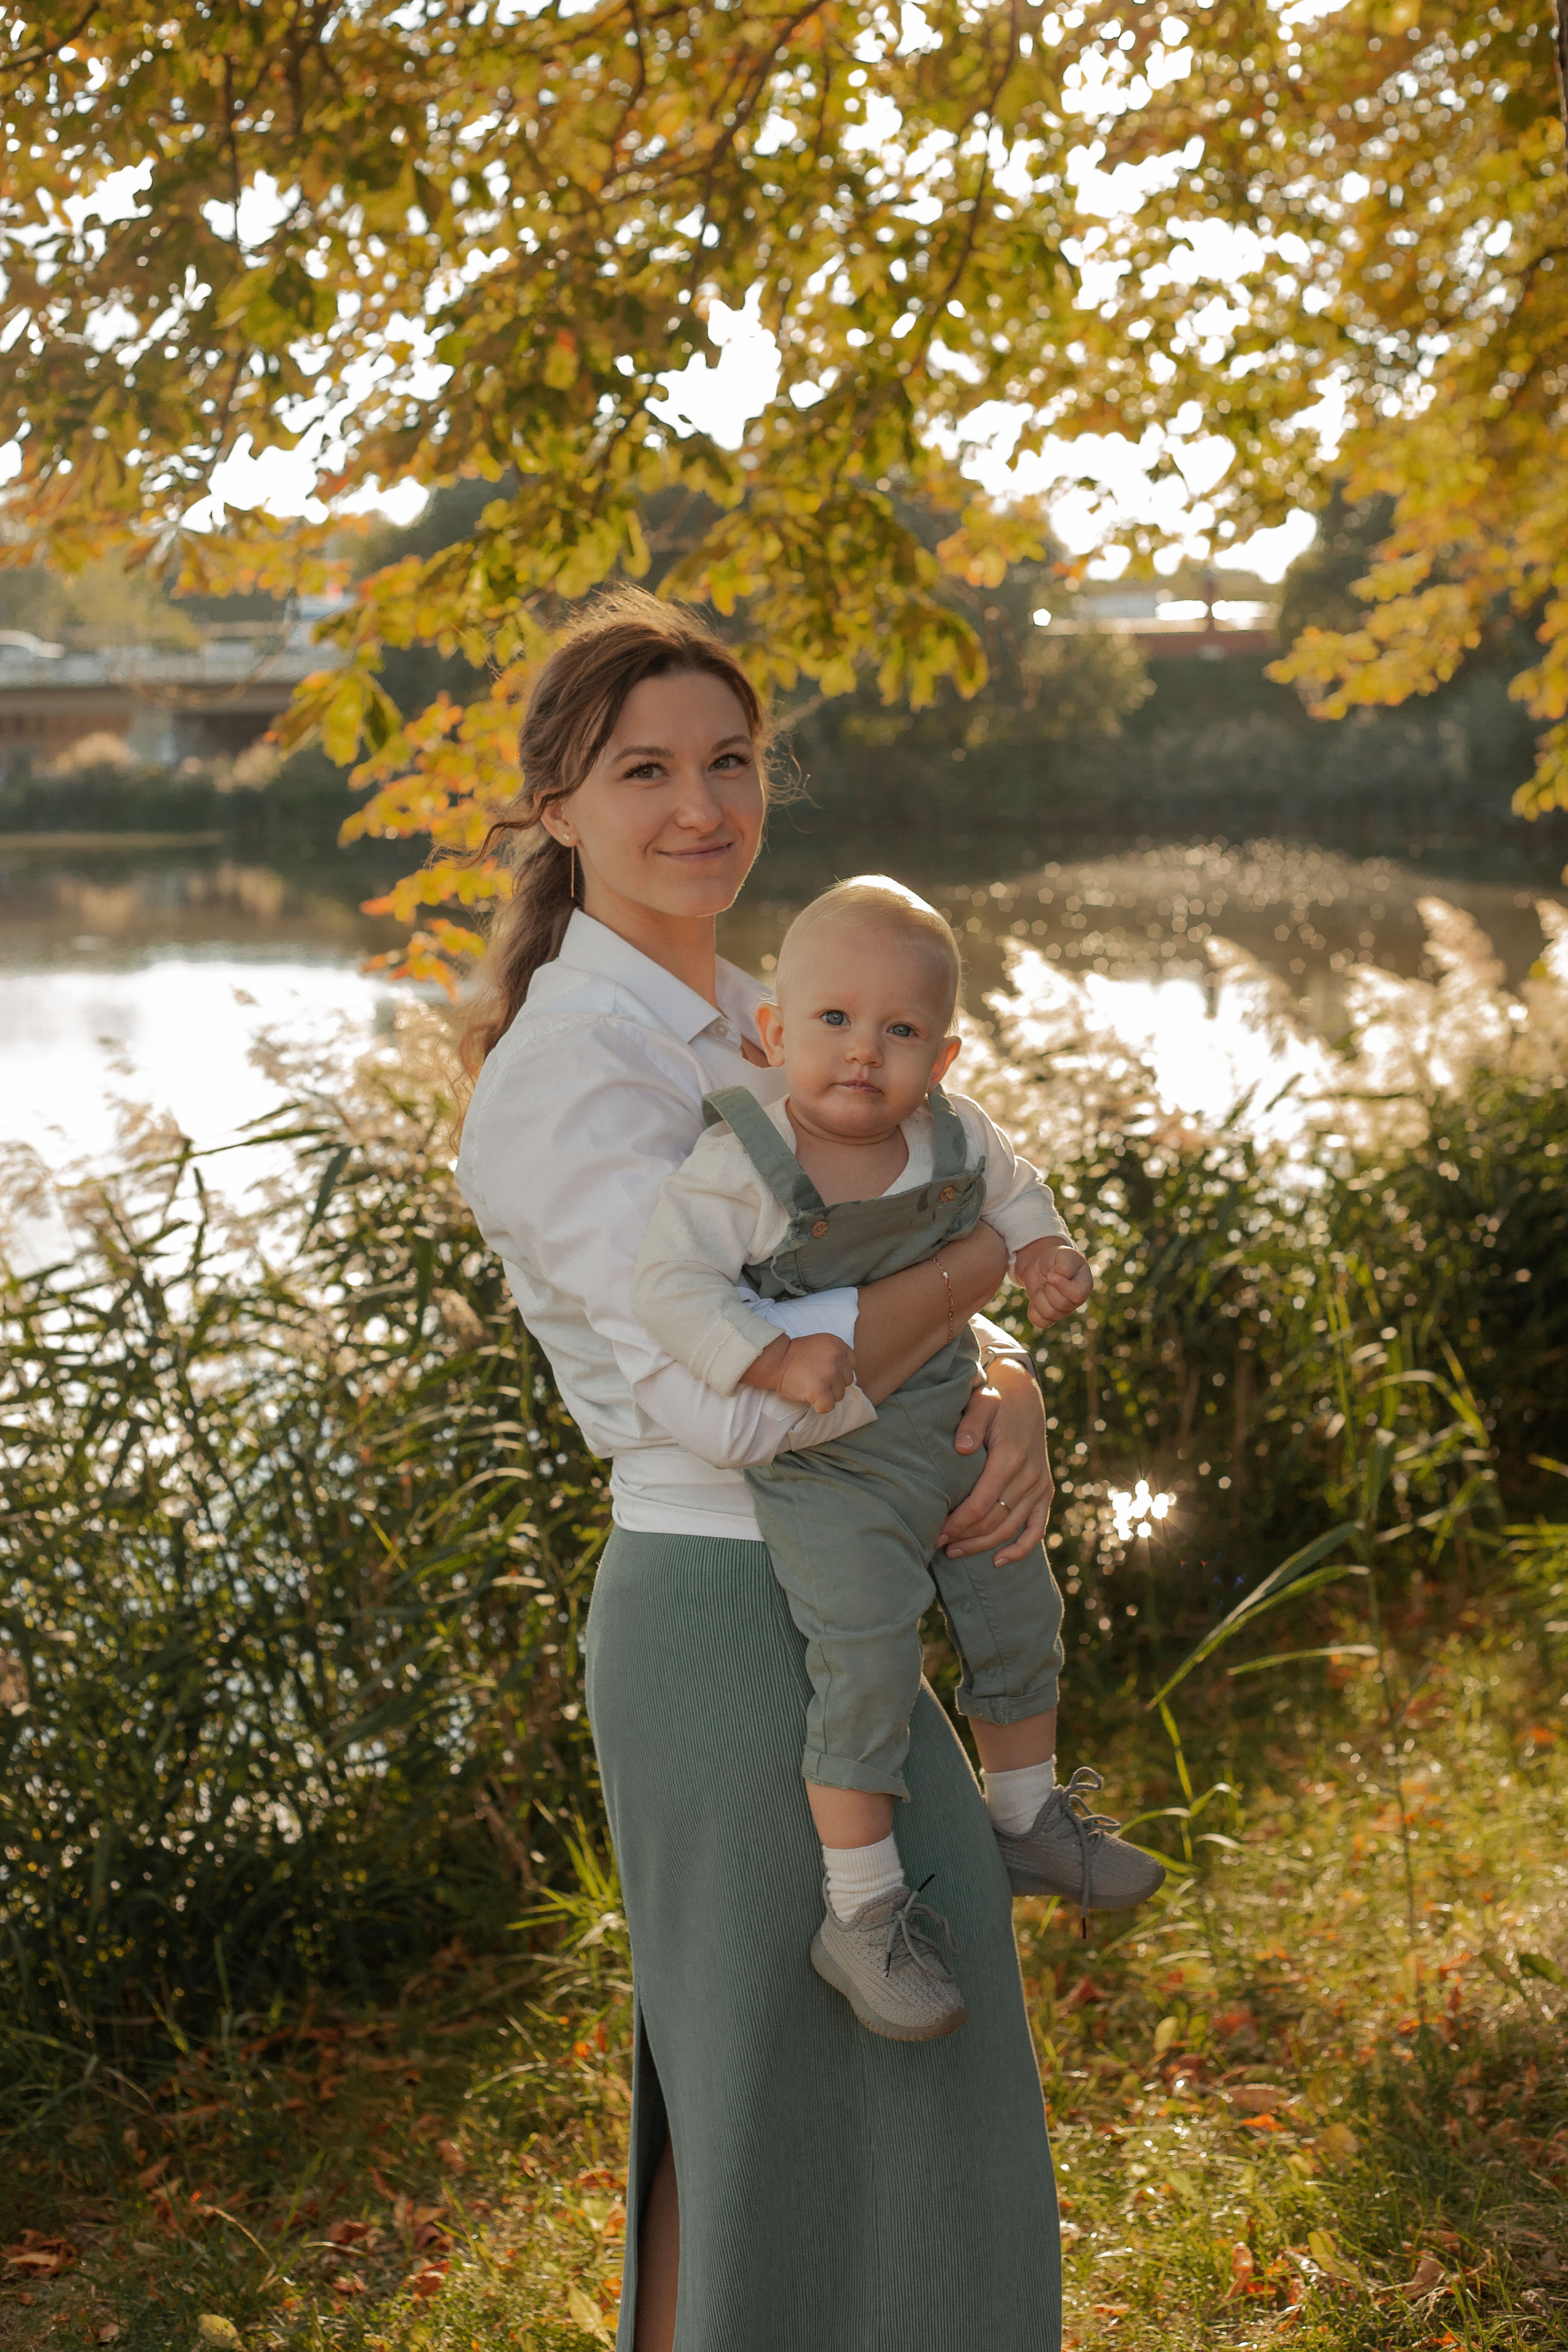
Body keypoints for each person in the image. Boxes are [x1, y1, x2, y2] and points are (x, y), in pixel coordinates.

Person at [454, 588, 1070, 2352]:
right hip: (724, 1615)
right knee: (808, 2125)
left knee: (793, 2134)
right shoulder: (571, 1078)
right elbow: (728, 1403)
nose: (701, 806)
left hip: (815, 1588)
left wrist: (1003, 1377)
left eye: (729, 760)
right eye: (641, 768)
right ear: (556, 807)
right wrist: (967, 1298)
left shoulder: (769, 1010)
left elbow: (928, 1231)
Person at [631, 876, 1161, 2042]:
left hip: (948, 1422)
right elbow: (666, 1293)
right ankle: (860, 1912)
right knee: (865, 1662)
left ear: (945, 1053)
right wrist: (768, 1363)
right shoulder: (745, 1167)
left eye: (901, 1031)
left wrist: (1049, 1256)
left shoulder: (959, 1136)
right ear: (775, 1033)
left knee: (1020, 1602)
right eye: (832, 1021)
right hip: (834, 1472)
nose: (863, 1052)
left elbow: (1020, 1202)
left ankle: (1026, 1813)